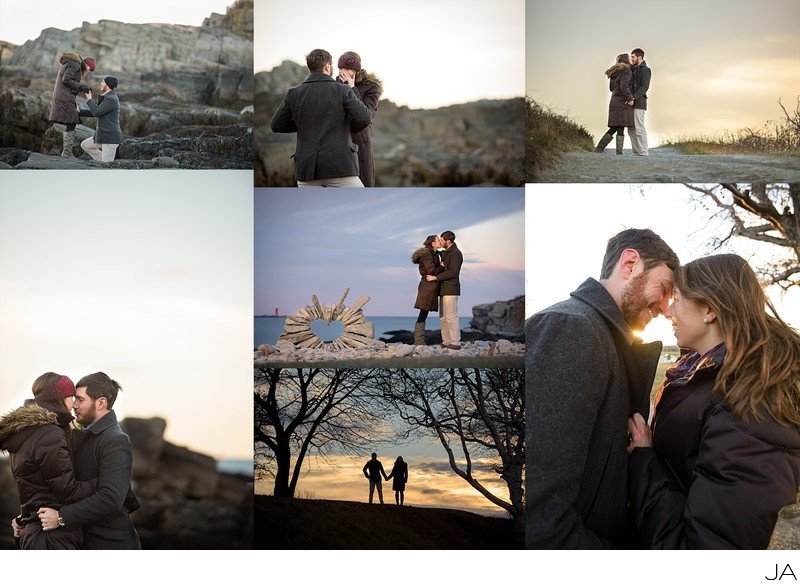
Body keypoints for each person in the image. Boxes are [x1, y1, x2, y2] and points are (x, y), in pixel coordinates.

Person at [627, 254, 800, 549]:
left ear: (709, 309)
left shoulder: (751, 402)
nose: (668, 312)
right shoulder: (701, 374)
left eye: (677, 298)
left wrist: (644, 461)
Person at [525, 228, 679, 548]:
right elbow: (542, 519)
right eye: (663, 288)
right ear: (629, 263)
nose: (666, 308)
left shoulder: (605, 337)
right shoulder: (571, 328)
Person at [37, 372, 141, 549]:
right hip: (83, 539)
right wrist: (25, 519)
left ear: (101, 403)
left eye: (80, 400)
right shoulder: (81, 434)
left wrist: (62, 517)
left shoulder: (115, 439)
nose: (73, 405)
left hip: (111, 544)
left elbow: (111, 497)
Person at [1, 373, 96, 549]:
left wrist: (23, 518)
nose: (74, 404)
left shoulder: (24, 432)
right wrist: (102, 483)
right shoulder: (50, 433)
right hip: (52, 534)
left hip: (33, 528)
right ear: (60, 398)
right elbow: (67, 490)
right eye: (71, 397)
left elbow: (33, 488)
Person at [270, 48, 372, 187]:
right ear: (328, 66)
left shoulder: (293, 93)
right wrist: (344, 123)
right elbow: (365, 118)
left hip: (306, 172)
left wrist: (304, 122)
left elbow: (276, 125)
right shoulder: (342, 90)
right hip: (340, 168)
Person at [336, 51, 383, 187]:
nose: (343, 72)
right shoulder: (335, 86)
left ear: (356, 69)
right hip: (338, 144)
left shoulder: (371, 88)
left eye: (348, 69)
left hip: (360, 144)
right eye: (341, 69)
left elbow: (366, 115)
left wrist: (352, 88)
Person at [49, 52, 95, 158]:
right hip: (65, 96)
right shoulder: (75, 65)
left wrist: (81, 88)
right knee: (72, 119)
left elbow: (68, 82)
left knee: (73, 119)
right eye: (89, 67)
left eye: (91, 70)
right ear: (85, 64)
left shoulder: (72, 64)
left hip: (64, 95)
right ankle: (67, 153)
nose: (88, 70)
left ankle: (67, 152)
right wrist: (81, 87)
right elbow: (66, 79)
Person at [426, 230, 463, 350]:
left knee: (451, 316)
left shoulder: (456, 253)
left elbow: (453, 272)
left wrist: (435, 277)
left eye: (442, 240)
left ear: (448, 241)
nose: (440, 242)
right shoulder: (447, 252)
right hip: (443, 288)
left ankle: (455, 342)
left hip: (451, 288)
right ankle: (446, 341)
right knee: (443, 317)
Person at [594, 53, 635, 155]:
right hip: (622, 101)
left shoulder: (614, 72)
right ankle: (614, 152)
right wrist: (630, 98)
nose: (631, 60)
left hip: (614, 100)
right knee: (618, 126)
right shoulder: (627, 70)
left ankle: (601, 149)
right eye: (630, 58)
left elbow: (611, 88)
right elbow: (624, 85)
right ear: (626, 60)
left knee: (617, 126)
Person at [79, 76, 122, 162]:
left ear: (108, 85)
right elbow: (97, 112)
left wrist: (90, 99)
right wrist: (79, 112)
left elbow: (96, 112)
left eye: (103, 82)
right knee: (85, 145)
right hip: (103, 135)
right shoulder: (108, 97)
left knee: (106, 168)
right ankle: (101, 159)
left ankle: (103, 162)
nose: (101, 84)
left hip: (110, 138)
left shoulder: (111, 99)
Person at [411, 234, 444, 345]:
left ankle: (419, 341)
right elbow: (431, 270)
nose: (440, 241)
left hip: (430, 286)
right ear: (433, 243)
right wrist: (442, 266)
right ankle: (419, 342)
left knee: (424, 313)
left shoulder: (433, 254)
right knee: (423, 313)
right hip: (428, 287)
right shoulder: (427, 255)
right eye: (438, 240)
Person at [629, 48, 651, 156]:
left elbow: (644, 87)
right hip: (631, 102)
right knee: (631, 129)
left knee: (639, 127)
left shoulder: (645, 69)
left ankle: (644, 152)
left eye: (633, 57)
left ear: (639, 57)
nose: (631, 59)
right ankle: (637, 151)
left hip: (639, 102)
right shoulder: (633, 69)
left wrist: (633, 98)